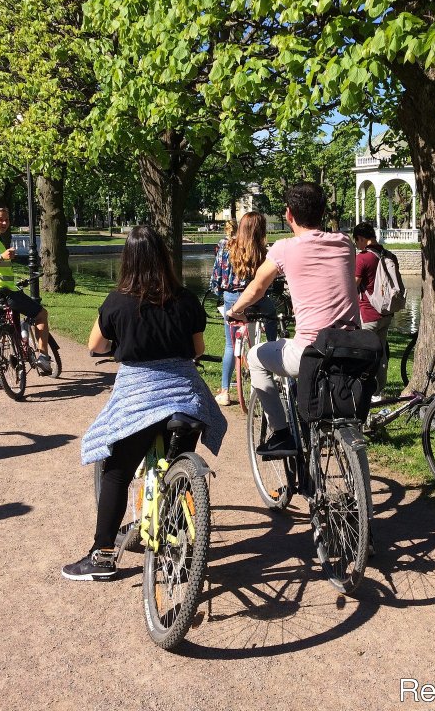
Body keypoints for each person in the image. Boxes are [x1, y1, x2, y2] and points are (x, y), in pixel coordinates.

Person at [63, 226, 226, 581]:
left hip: (139, 397)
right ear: (165, 258)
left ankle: (103, 555)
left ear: (128, 260)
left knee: (117, 470)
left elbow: (95, 346)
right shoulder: (184, 300)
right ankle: (178, 545)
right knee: (174, 470)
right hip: (185, 400)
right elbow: (197, 350)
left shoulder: (117, 301)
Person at [225, 182, 360, 457]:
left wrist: (235, 310)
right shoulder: (345, 243)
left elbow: (256, 287)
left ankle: (282, 432)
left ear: (288, 215)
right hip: (352, 347)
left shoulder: (284, 248)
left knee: (255, 357)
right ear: (322, 213)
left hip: (312, 350)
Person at [0, 206, 54, 391]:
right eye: (0, 219)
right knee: (41, 314)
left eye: (7, 220)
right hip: (3, 293)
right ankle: (43, 357)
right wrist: (1, 257)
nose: (4, 223)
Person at [208, 212, 276, 405]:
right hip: (256, 298)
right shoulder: (263, 250)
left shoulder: (225, 245)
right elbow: (266, 282)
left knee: (230, 345)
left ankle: (225, 391)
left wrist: (219, 293)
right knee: (272, 317)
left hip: (231, 298)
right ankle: (274, 354)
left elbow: (217, 274)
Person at [352, 222, 398, 398]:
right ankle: (379, 389)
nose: (357, 246)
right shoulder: (388, 255)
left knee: (364, 354)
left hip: (368, 313)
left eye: (357, 242)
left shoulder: (363, 258)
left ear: (362, 239)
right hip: (386, 312)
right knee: (381, 352)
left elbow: (353, 285)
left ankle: (364, 390)